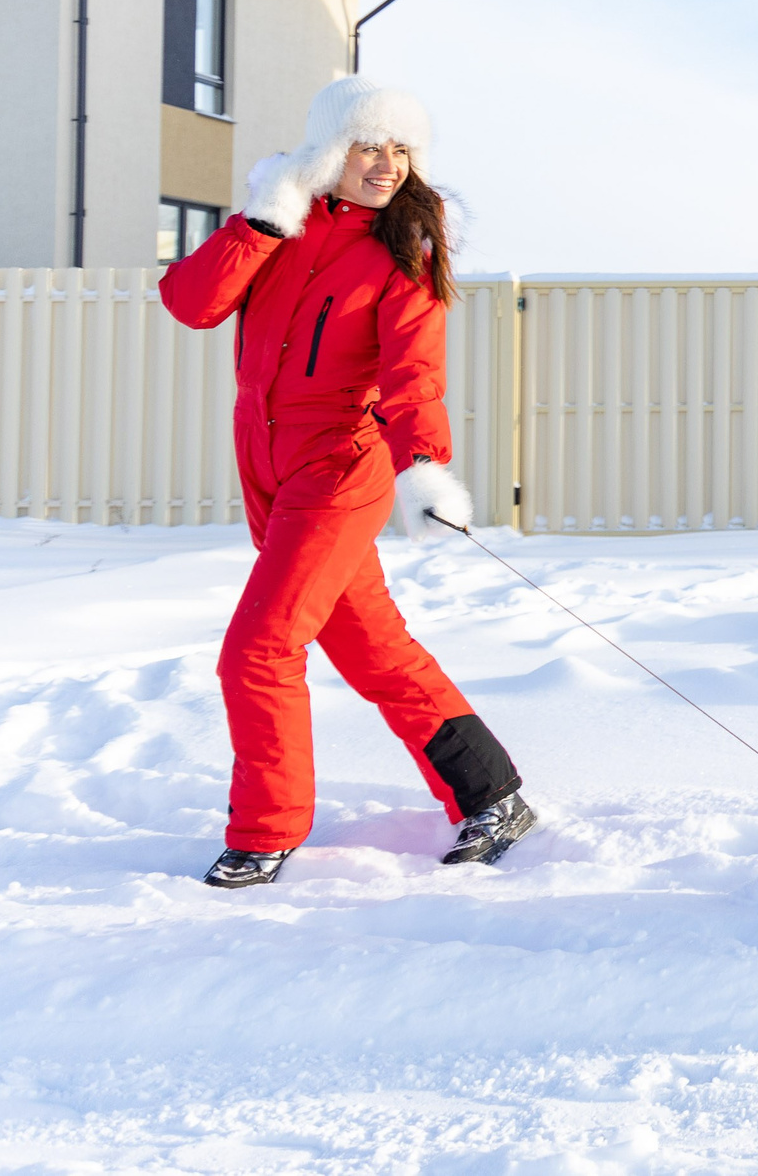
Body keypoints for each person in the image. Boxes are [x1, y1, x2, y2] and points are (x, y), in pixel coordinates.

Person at [160, 76, 536, 889]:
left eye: (402, 149)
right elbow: (191, 303)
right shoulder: (281, 227)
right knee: (373, 648)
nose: (386, 164)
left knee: (257, 649)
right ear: (331, 150)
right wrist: (262, 221)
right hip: (268, 465)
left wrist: (423, 466)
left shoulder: (407, 247)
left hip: (339, 469)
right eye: (370, 144)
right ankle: (493, 796)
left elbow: (413, 373)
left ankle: (265, 832)